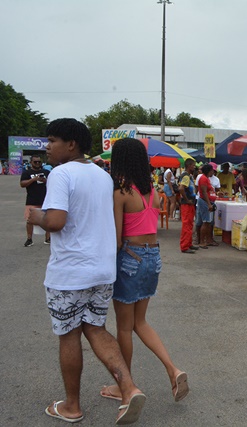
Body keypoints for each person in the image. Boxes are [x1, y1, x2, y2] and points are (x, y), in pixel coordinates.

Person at [28, 118, 145, 425]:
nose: (47, 146)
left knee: (69, 334)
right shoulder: (102, 175)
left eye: (52, 140)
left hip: (71, 272)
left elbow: (55, 221)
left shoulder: (62, 173)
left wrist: (35, 215)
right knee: (95, 328)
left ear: (72, 144)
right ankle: (129, 388)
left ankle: (72, 405)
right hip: (102, 270)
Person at [101, 137, 189, 404]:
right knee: (141, 322)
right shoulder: (150, 190)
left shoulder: (121, 193)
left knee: (125, 328)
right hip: (153, 257)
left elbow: (116, 240)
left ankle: (125, 387)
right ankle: (173, 370)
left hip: (130, 257)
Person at [20, 154, 51, 246]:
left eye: (39, 162)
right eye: (35, 162)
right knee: (29, 220)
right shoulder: (27, 173)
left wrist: (45, 181)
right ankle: (29, 239)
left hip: (45, 199)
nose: (37, 163)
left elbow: (53, 182)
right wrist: (33, 180)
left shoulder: (46, 172)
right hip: (31, 200)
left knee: (48, 219)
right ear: (31, 163)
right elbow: (22, 184)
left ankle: (48, 238)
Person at [178, 159, 199, 254]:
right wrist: (187, 200)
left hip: (189, 203)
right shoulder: (186, 176)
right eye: (193, 165)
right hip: (187, 204)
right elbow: (181, 188)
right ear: (189, 165)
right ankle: (185, 246)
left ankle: (189, 243)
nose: (194, 167)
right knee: (187, 225)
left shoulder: (187, 176)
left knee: (190, 224)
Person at [195, 164, 216, 249]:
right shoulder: (203, 179)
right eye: (212, 171)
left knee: (206, 221)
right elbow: (203, 192)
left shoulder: (205, 178)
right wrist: (209, 204)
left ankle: (204, 240)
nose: (213, 172)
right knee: (206, 221)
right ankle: (202, 241)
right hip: (204, 201)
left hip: (205, 201)